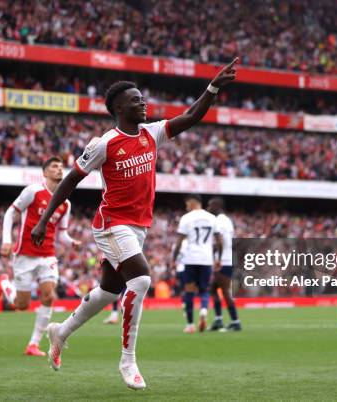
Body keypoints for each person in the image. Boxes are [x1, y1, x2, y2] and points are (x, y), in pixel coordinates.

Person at [31, 58, 238, 390]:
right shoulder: (104, 144)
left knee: (108, 291)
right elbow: (70, 180)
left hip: (138, 226)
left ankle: (61, 331)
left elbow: (190, 117)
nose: (143, 103)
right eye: (135, 100)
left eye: (143, 99)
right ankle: (128, 361)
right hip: (112, 223)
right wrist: (43, 220)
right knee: (141, 279)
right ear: (118, 108)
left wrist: (213, 88)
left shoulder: (151, 133)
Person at [0, 156, 79, 356]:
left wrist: (71, 241)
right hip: (25, 254)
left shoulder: (65, 203)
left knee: (49, 295)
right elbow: (10, 213)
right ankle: (5, 284)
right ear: (45, 172)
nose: (59, 170)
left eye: (61, 167)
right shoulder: (33, 191)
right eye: (54, 167)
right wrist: (6, 240)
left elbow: (62, 233)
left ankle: (33, 344)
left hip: (48, 255)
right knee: (21, 305)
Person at [172, 194, 222, 333]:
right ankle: (204, 311)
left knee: (189, 290)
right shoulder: (212, 218)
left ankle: (190, 325)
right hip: (206, 259)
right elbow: (219, 241)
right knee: (204, 290)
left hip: (191, 258)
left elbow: (179, 242)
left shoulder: (186, 218)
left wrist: (173, 259)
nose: (186, 207)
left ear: (192, 202)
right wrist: (218, 258)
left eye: (187, 204)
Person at [207, 197, 241, 332]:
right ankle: (218, 320)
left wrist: (217, 258)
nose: (208, 209)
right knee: (213, 288)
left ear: (216, 206)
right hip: (227, 258)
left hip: (223, 260)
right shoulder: (226, 220)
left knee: (225, 291)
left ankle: (235, 322)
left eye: (210, 206)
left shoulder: (219, 221)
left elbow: (220, 242)